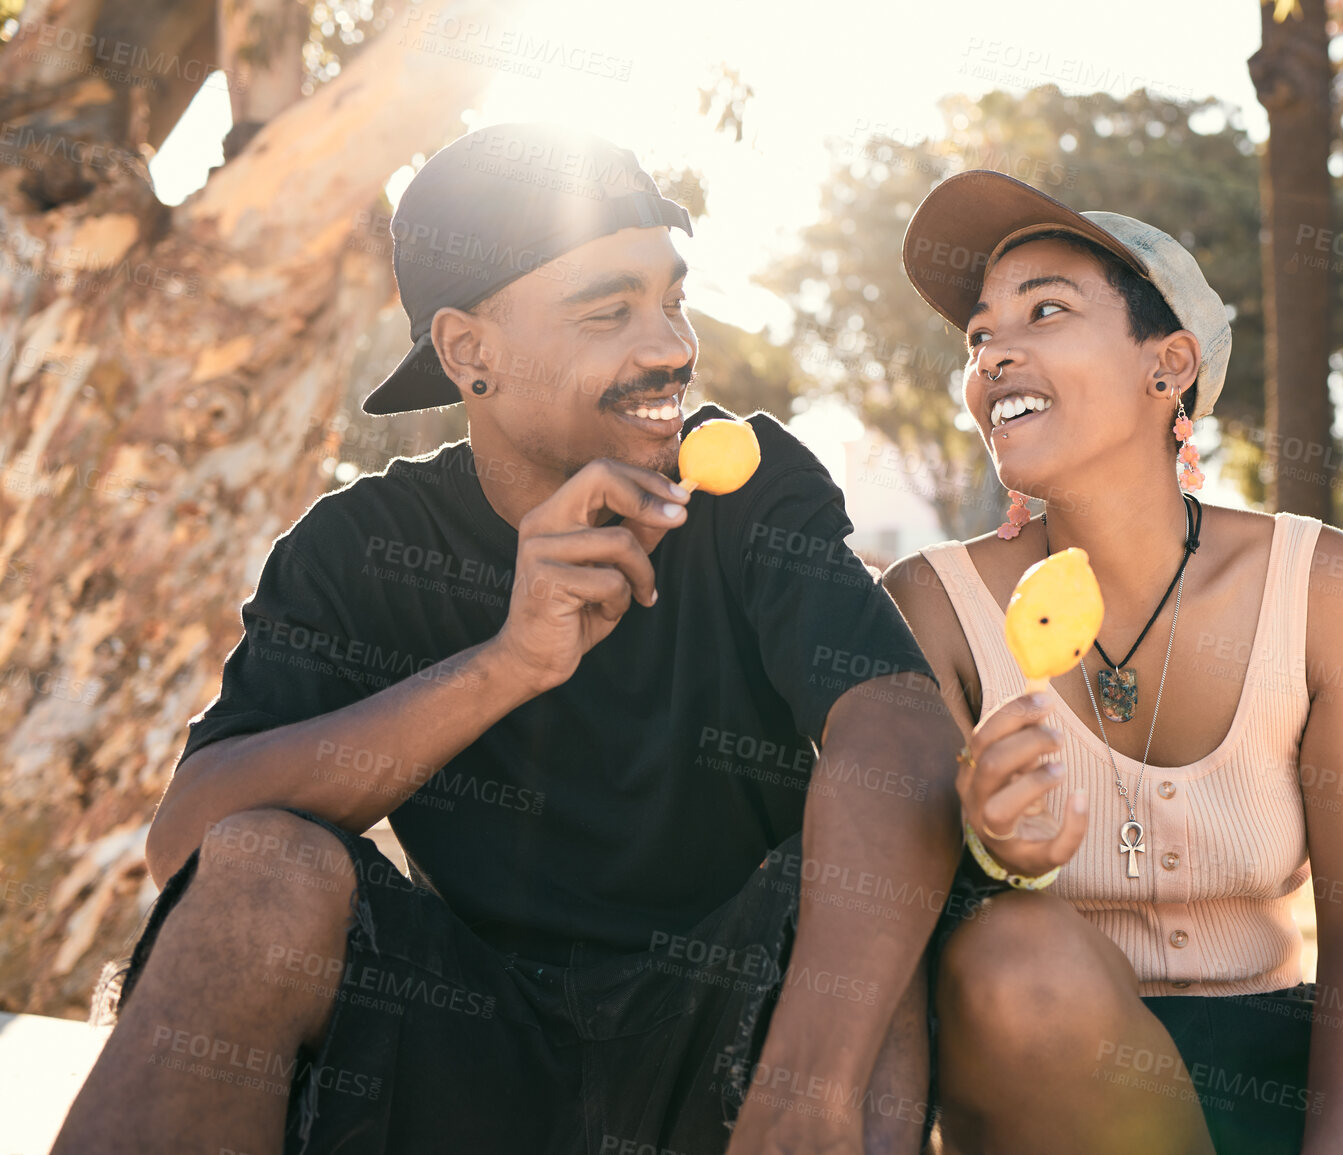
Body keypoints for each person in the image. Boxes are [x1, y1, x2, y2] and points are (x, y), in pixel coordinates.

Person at [52, 124, 961, 1155]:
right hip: (462, 1058)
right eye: (610, 310)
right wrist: (506, 665)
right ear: (468, 351)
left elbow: (903, 736)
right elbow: (194, 840)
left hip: (735, 1053)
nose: (667, 345)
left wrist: (808, 1093)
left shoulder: (749, 494)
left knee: (858, 877)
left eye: (671, 298)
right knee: (267, 864)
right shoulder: (359, 548)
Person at [884, 170, 1343, 1155]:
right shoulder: (933, 604)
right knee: (1012, 950)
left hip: (1295, 1072)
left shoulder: (1321, 583)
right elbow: (887, 918)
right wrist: (990, 856)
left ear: (1168, 365)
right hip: (1046, 1076)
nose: (993, 352)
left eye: (1044, 310)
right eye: (977, 336)